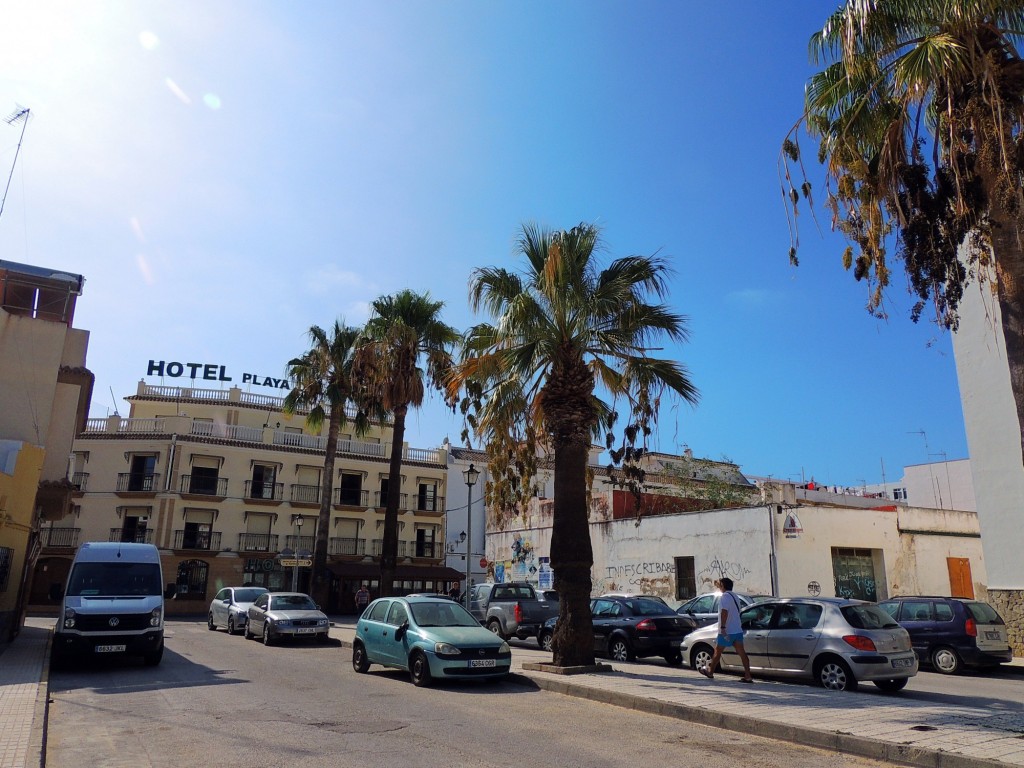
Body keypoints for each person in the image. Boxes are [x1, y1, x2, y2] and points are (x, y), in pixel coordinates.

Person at [699, 576, 753, 683]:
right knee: (742, 653)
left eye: (719, 584)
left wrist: (723, 627)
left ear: (723, 586)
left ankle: (710, 672)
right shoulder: (735, 597)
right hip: (737, 629)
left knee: (717, 651)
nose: (718, 586)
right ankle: (748, 675)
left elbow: (724, 612)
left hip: (727, 630)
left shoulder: (724, 597)